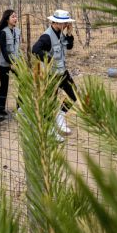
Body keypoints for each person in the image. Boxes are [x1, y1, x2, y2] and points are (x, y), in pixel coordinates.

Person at [32, 9, 77, 137]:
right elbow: (35, 50)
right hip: (50, 75)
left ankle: (60, 116)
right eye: (64, 23)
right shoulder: (47, 36)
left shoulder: (61, 33)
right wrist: (49, 60)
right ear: (55, 22)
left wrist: (69, 34)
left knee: (73, 95)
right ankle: (50, 130)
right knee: (49, 102)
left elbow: (69, 47)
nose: (66, 25)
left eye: (67, 23)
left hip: (62, 72)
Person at [0, 9, 21, 117]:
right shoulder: (3, 32)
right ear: (7, 19)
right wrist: (11, 63)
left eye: (16, 16)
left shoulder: (18, 31)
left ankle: (21, 108)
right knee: (4, 86)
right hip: (4, 63)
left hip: (17, 61)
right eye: (13, 17)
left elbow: (17, 48)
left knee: (23, 83)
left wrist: (18, 62)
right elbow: (4, 50)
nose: (15, 18)